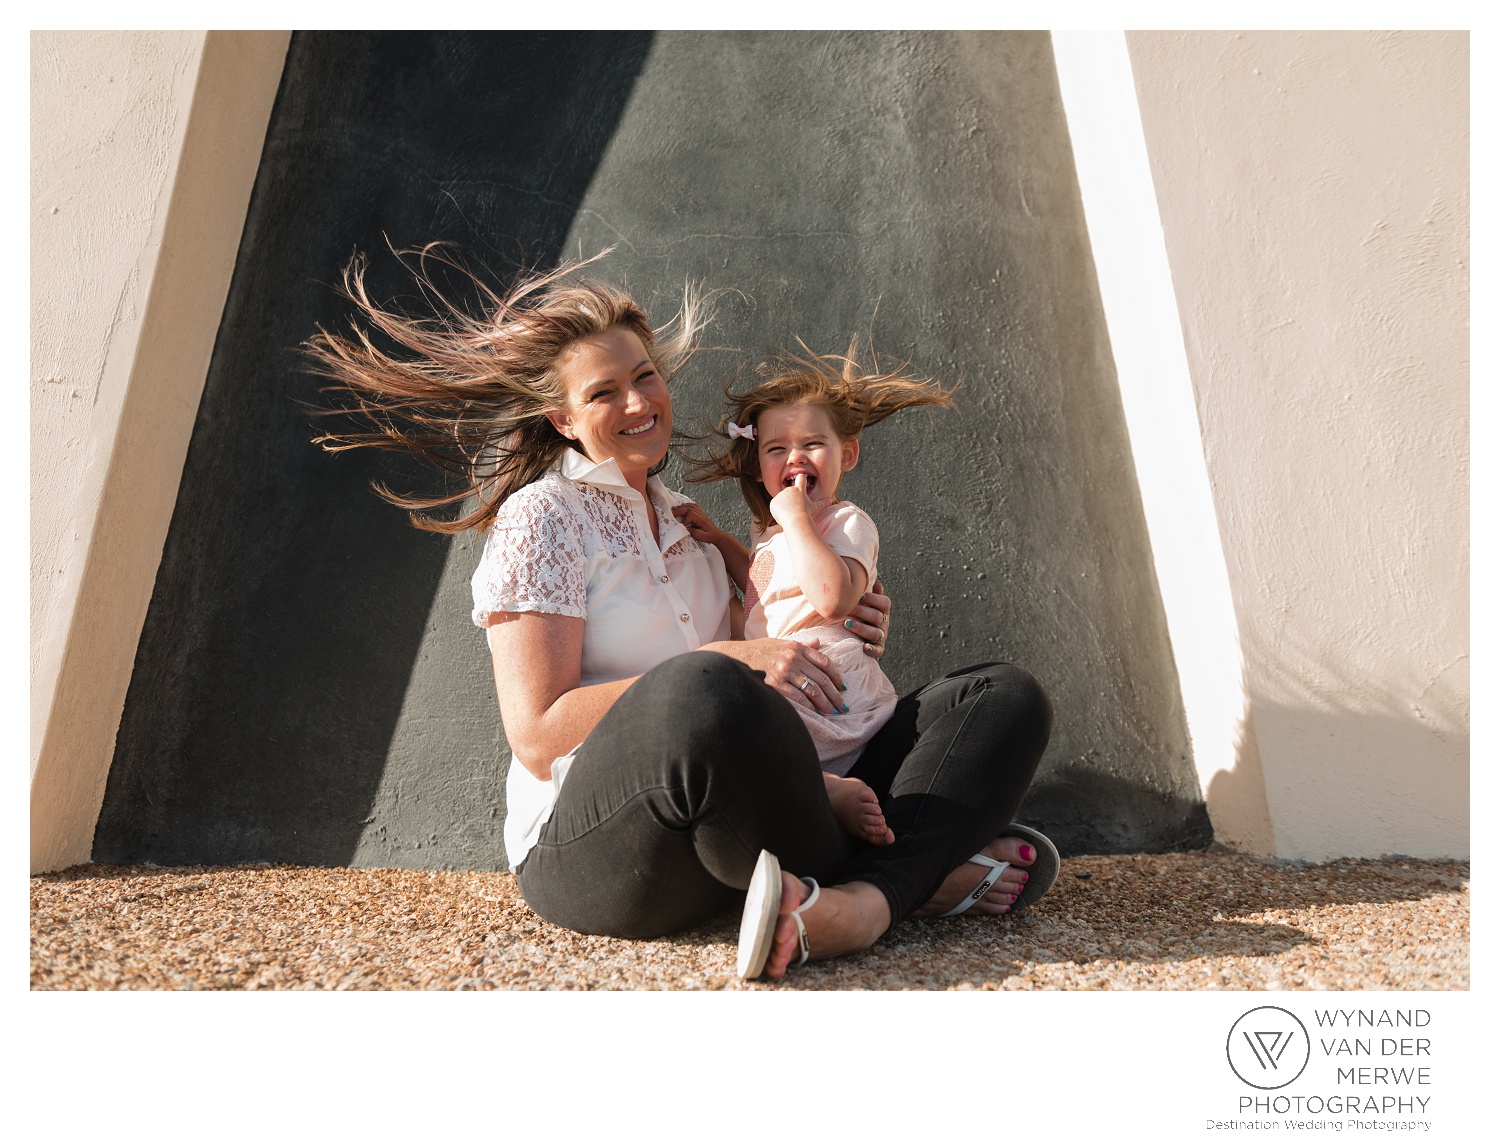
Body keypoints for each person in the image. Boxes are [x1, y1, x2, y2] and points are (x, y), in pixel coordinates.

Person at [308, 248, 1058, 982]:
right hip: (604, 850)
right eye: (604, 393)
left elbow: (773, 658)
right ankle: (919, 874)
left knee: (999, 696)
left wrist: (844, 627)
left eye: (645, 376)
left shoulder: (690, 524)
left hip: (747, 813)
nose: (638, 403)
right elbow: (538, 735)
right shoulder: (544, 517)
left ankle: (858, 903)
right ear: (563, 420)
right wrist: (732, 664)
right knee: (704, 689)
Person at [673, 348, 956, 849]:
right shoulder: (775, 535)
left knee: (741, 734)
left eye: (812, 444)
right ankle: (829, 804)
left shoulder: (847, 523)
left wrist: (799, 520)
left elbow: (832, 598)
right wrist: (721, 541)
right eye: (776, 449)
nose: (795, 458)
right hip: (791, 683)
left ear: (845, 455)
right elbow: (764, 582)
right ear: (759, 464)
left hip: (828, 687)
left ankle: (830, 793)